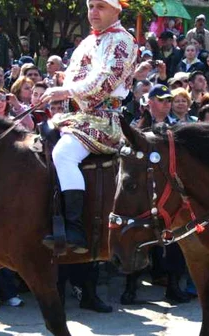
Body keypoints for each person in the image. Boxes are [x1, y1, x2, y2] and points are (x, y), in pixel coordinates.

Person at [40, 0, 137, 253]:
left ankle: (74, 229)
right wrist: (60, 86)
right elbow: (75, 74)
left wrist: (65, 90)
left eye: (101, 6)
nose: (93, 12)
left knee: (64, 154)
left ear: (117, 10)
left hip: (103, 119)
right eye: (91, 6)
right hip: (76, 116)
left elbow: (104, 81)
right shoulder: (87, 41)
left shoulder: (123, 40)